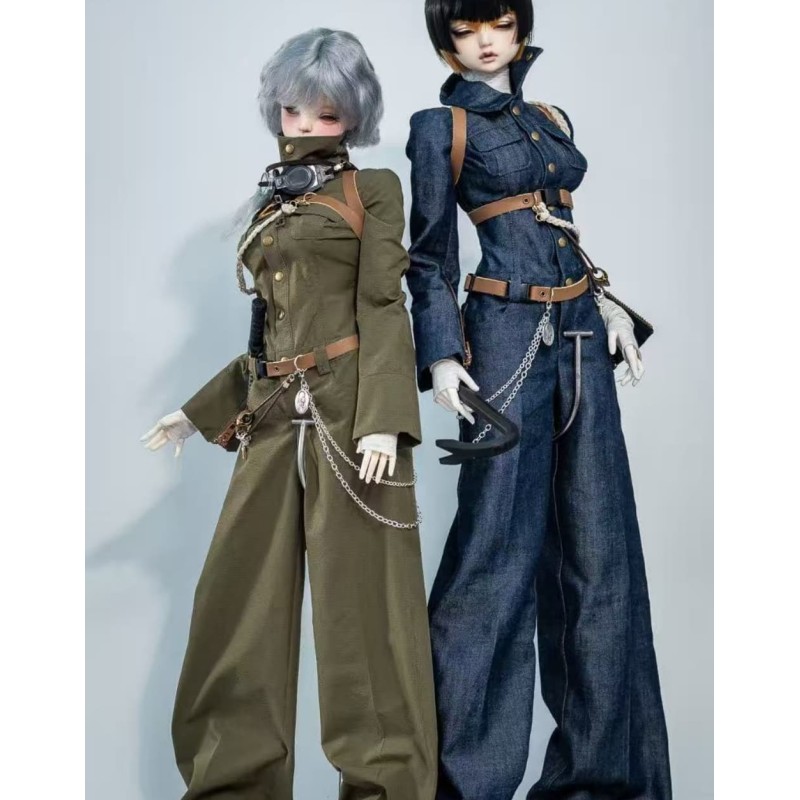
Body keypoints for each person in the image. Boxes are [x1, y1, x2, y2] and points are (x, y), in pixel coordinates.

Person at [141, 28, 437, 800]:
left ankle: (386, 787)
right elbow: (269, 334)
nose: (305, 124)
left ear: (354, 115)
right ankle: (234, 785)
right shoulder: (271, 198)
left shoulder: (372, 189)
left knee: (364, 617)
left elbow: (383, 303)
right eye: (294, 108)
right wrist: (197, 413)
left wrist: (385, 417)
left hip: (353, 420)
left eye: (326, 113)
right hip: (272, 413)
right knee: (238, 606)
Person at [404, 2, 672, 798]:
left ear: (520, 27)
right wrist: (442, 355)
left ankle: (598, 781)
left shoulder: (551, 117)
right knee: (494, 559)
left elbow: (561, 230)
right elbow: (428, 258)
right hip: (504, 340)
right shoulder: (440, 127)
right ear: (447, 44)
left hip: (583, 331)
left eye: (497, 22)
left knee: (600, 553)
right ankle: (468, 784)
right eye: (464, 31)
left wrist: (610, 307)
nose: (485, 41)